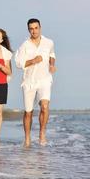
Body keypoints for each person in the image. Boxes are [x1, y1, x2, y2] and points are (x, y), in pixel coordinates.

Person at [15, 18, 56, 147]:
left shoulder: (49, 42)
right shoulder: (24, 45)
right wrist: (33, 61)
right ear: (28, 30)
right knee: (28, 111)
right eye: (31, 28)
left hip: (45, 79)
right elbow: (18, 63)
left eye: (36, 28)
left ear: (40, 27)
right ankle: (27, 139)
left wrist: (52, 65)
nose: (34, 31)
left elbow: (52, 54)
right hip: (29, 82)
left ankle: (42, 134)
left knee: (44, 106)